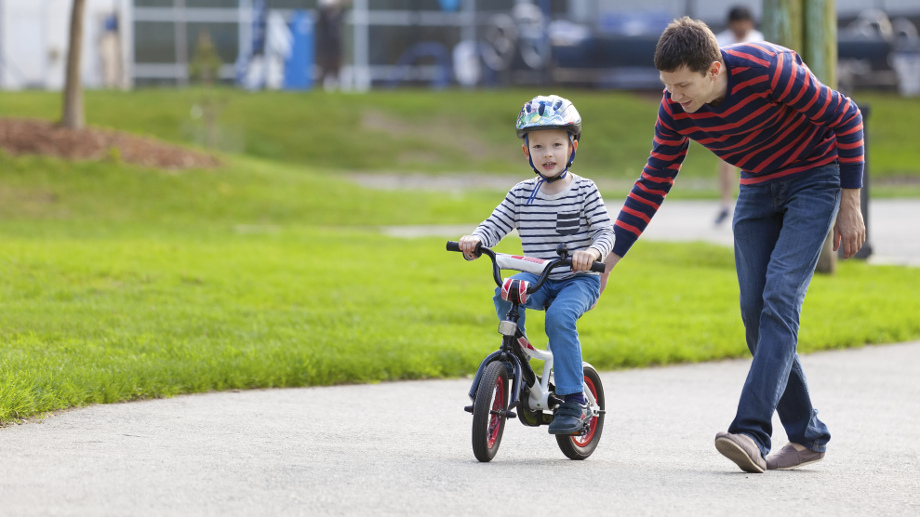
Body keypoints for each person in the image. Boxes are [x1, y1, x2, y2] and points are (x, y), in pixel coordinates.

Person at [603, 17, 865, 472]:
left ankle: (751, 430)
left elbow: (846, 114)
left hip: (814, 178)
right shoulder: (674, 108)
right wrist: (611, 256)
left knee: (780, 296)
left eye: (683, 86)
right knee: (753, 311)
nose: (675, 97)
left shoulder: (770, 70)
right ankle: (807, 436)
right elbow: (653, 182)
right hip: (758, 186)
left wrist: (850, 202)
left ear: (714, 70)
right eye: (668, 86)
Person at [459, 95, 615, 435]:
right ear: (525, 152)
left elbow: (606, 231)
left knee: (560, 318)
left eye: (557, 144)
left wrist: (592, 252)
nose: (548, 154)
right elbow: (495, 224)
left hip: (578, 280)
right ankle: (519, 356)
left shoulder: (585, 191)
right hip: (539, 278)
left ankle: (574, 399)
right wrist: (476, 240)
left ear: (572, 147)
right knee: (505, 292)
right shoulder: (521, 194)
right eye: (538, 145)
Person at [712, 6, 764, 225]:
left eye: (745, 22)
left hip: (754, 106)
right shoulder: (719, 43)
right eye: (737, 22)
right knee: (727, 159)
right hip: (727, 108)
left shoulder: (759, 41)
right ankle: (726, 203)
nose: (741, 27)